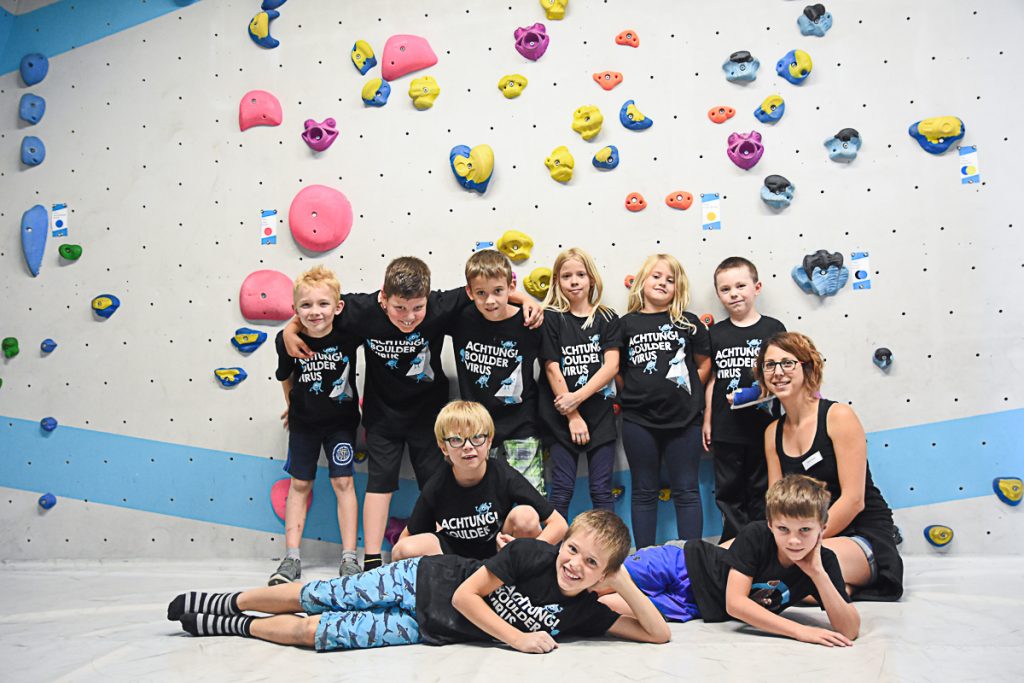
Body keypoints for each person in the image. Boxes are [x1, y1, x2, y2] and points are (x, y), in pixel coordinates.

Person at [284, 257, 542, 571]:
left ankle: (444, 553)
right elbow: (318, 311)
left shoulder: (440, 306)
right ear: (383, 297)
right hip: (382, 416)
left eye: (417, 308)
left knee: (437, 484)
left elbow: (482, 290)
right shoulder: (363, 310)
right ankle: (373, 557)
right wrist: (290, 328)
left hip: (429, 418)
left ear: (428, 299)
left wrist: (526, 298)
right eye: (400, 309)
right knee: (379, 483)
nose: (409, 318)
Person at [166, 510, 671, 653]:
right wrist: (518, 638)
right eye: (573, 549)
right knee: (320, 594)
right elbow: (465, 596)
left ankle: (230, 626)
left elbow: (657, 633)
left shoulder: (587, 609)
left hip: (429, 627)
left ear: (602, 575)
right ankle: (229, 599)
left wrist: (622, 581)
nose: (575, 564)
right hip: (422, 582)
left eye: (591, 564)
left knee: (315, 632)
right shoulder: (531, 554)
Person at [600, 475, 861, 647]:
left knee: (599, 605)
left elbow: (849, 630)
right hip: (682, 563)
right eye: (783, 529)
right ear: (771, 525)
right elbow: (736, 604)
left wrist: (817, 574)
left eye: (804, 530)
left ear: (823, 527)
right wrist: (799, 631)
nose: (794, 540)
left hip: (692, 606)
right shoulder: (758, 534)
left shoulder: (824, 561)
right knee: (599, 580)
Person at [755, 332, 904, 600]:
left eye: (788, 363)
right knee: (742, 558)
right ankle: (841, 589)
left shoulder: (838, 416)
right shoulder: (771, 433)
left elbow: (854, 501)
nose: (778, 372)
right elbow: (777, 505)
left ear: (807, 366)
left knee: (795, 571)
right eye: (769, 365)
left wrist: (800, 543)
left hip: (860, 533)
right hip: (801, 536)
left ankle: (848, 582)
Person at [270, 266, 361, 584]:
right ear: (295, 310)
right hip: (304, 425)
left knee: (343, 484)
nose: (315, 312)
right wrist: (292, 406)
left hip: (342, 425)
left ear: (337, 307)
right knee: (299, 485)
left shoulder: (349, 331)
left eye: (323, 304)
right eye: (306, 305)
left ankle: (350, 558)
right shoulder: (287, 340)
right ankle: (291, 558)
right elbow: (285, 377)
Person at [391, 401, 567, 561]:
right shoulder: (436, 485)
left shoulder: (504, 475)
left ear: (489, 441)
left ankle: (520, 585)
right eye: (456, 440)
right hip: (453, 558)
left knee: (526, 516)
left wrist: (529, 552)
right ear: (444, 447)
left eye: (476, 437)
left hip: (498, 554)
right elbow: (403, 544)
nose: (468, 446)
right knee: (403, 550)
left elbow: (559, 525)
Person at [618, 254, 711, 547]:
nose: (662, 283)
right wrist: (636, 393)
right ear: (642, 281)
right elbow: (618, 371)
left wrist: (688, 394)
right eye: (656, 276)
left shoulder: (689, 324)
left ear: (678, 288)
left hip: (685, 420)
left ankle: (692, 559)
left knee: (686, 489)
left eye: (670, 280)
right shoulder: (625, 325)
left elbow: (704, 364)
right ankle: (645, 556)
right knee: (644, 490)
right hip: (638, 421)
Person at [702, 257, 786, 541]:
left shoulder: (773, 328)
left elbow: (784, 375)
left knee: (762, 490)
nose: (734, 293)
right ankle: (734, 549)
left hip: (764, 429)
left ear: (757, 287)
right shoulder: (715, 334)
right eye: (725, 289)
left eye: (740, 285)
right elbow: (712, 379)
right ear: (718, 295)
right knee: (729, 493)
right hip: (726, 430)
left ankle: (763, 544)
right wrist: (707, 421)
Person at [449, 250, 545, 492]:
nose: (490, 300)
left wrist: (526, 301)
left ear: (511, 287)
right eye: (481, 293)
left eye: (498, 292)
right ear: (470, 292)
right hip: (476, 428)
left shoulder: (531, 323)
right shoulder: (460, 318)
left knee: (530, 501)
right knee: (479, 499)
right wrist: (523, 298)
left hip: (521, 423)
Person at [539, 248, 621, 520]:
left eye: (580, 274)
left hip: (600, 415)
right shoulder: (551, 318)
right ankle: (552, 556)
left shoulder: (607, 318)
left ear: (591, 279)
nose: (574, 281)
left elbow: (611, 366)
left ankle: (607, 555)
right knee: (561, 490)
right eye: (566, 276)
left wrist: (578, 398)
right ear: (557, 282)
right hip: (561, 417)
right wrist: (572, 414)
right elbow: (551, 367)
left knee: (601, 490)